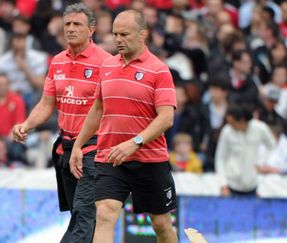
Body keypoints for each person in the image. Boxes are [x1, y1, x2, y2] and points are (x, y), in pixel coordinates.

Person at [69, 10, 178, 243]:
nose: (118, 39)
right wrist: (78, 145)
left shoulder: (159, 70)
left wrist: (135, 143)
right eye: (115, 33)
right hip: (110, 157)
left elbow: (166, 118)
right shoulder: (107, 67)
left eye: (124, 34)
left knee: (161, 225)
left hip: (149, 160)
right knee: (105, 213)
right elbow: (97, 109)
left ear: (143, 34)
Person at [12, 3, 111, 242]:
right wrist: (26, 125)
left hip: (92, 150)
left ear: (92, 29)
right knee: (83, 218)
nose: (70, 29)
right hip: (65, 149)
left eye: (77, 24)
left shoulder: (106, 63)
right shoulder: (57, 61)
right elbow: (47, 104)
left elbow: (109, 109)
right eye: (67, 24)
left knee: (84, 215)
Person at [215, 104, 276, 196]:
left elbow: (271, 145)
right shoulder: (227, 131)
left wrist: (261, 162)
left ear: (242, 120)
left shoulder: (260, 128)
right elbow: (220, 158)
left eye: (232, 123)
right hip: (231, 186)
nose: (230, 126)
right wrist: (223, 184)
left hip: (252, 185)